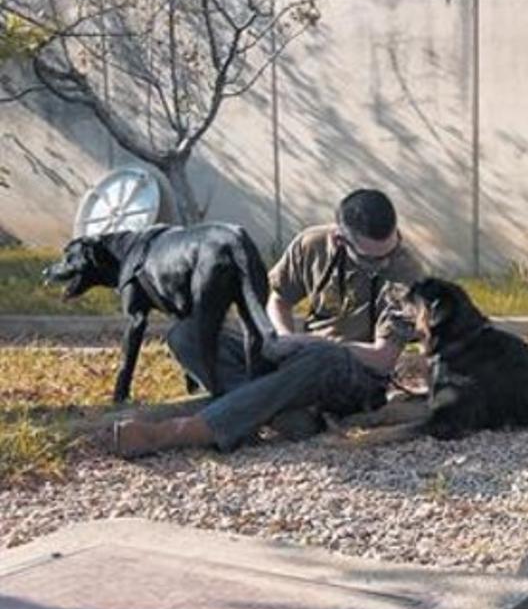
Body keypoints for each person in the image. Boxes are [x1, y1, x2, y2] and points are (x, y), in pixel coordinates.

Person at [112, 188, 426, 457]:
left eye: (391, 249)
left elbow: (383, 359)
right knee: (187, 334)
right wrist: (283, 337)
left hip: (356, 378)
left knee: (324, 356)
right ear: (340, 240)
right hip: (299, 359)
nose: (384, 262)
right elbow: (278, 297)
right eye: (371, 258)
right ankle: (285, 415)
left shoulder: (407, 272)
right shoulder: (312, 244)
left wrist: (312, 343)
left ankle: (181, 432)